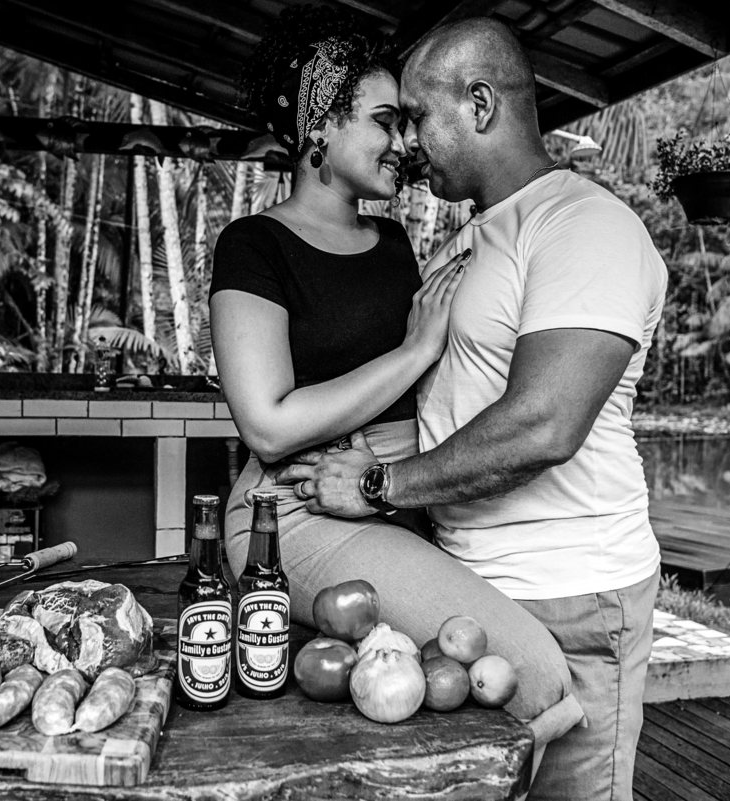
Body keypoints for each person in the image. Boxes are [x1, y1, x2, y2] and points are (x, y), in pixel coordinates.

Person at [275, 17, 668, 801]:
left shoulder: (585, 226)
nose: (407, 142)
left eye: (417, 116)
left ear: (480, 104)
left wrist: (378, 485)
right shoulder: (477, 237)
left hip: (575, 594)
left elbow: (543, 423)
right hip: (471, 591)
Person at [210, 5, 585, 762]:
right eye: (386, 121)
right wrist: (415, 353)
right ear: (321, 128)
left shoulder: (393, 242)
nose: (405, 143)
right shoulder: (253, 246)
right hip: (298, 507)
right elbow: (269, 424)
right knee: (534, 669)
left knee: (438, 697)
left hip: (393, 490)